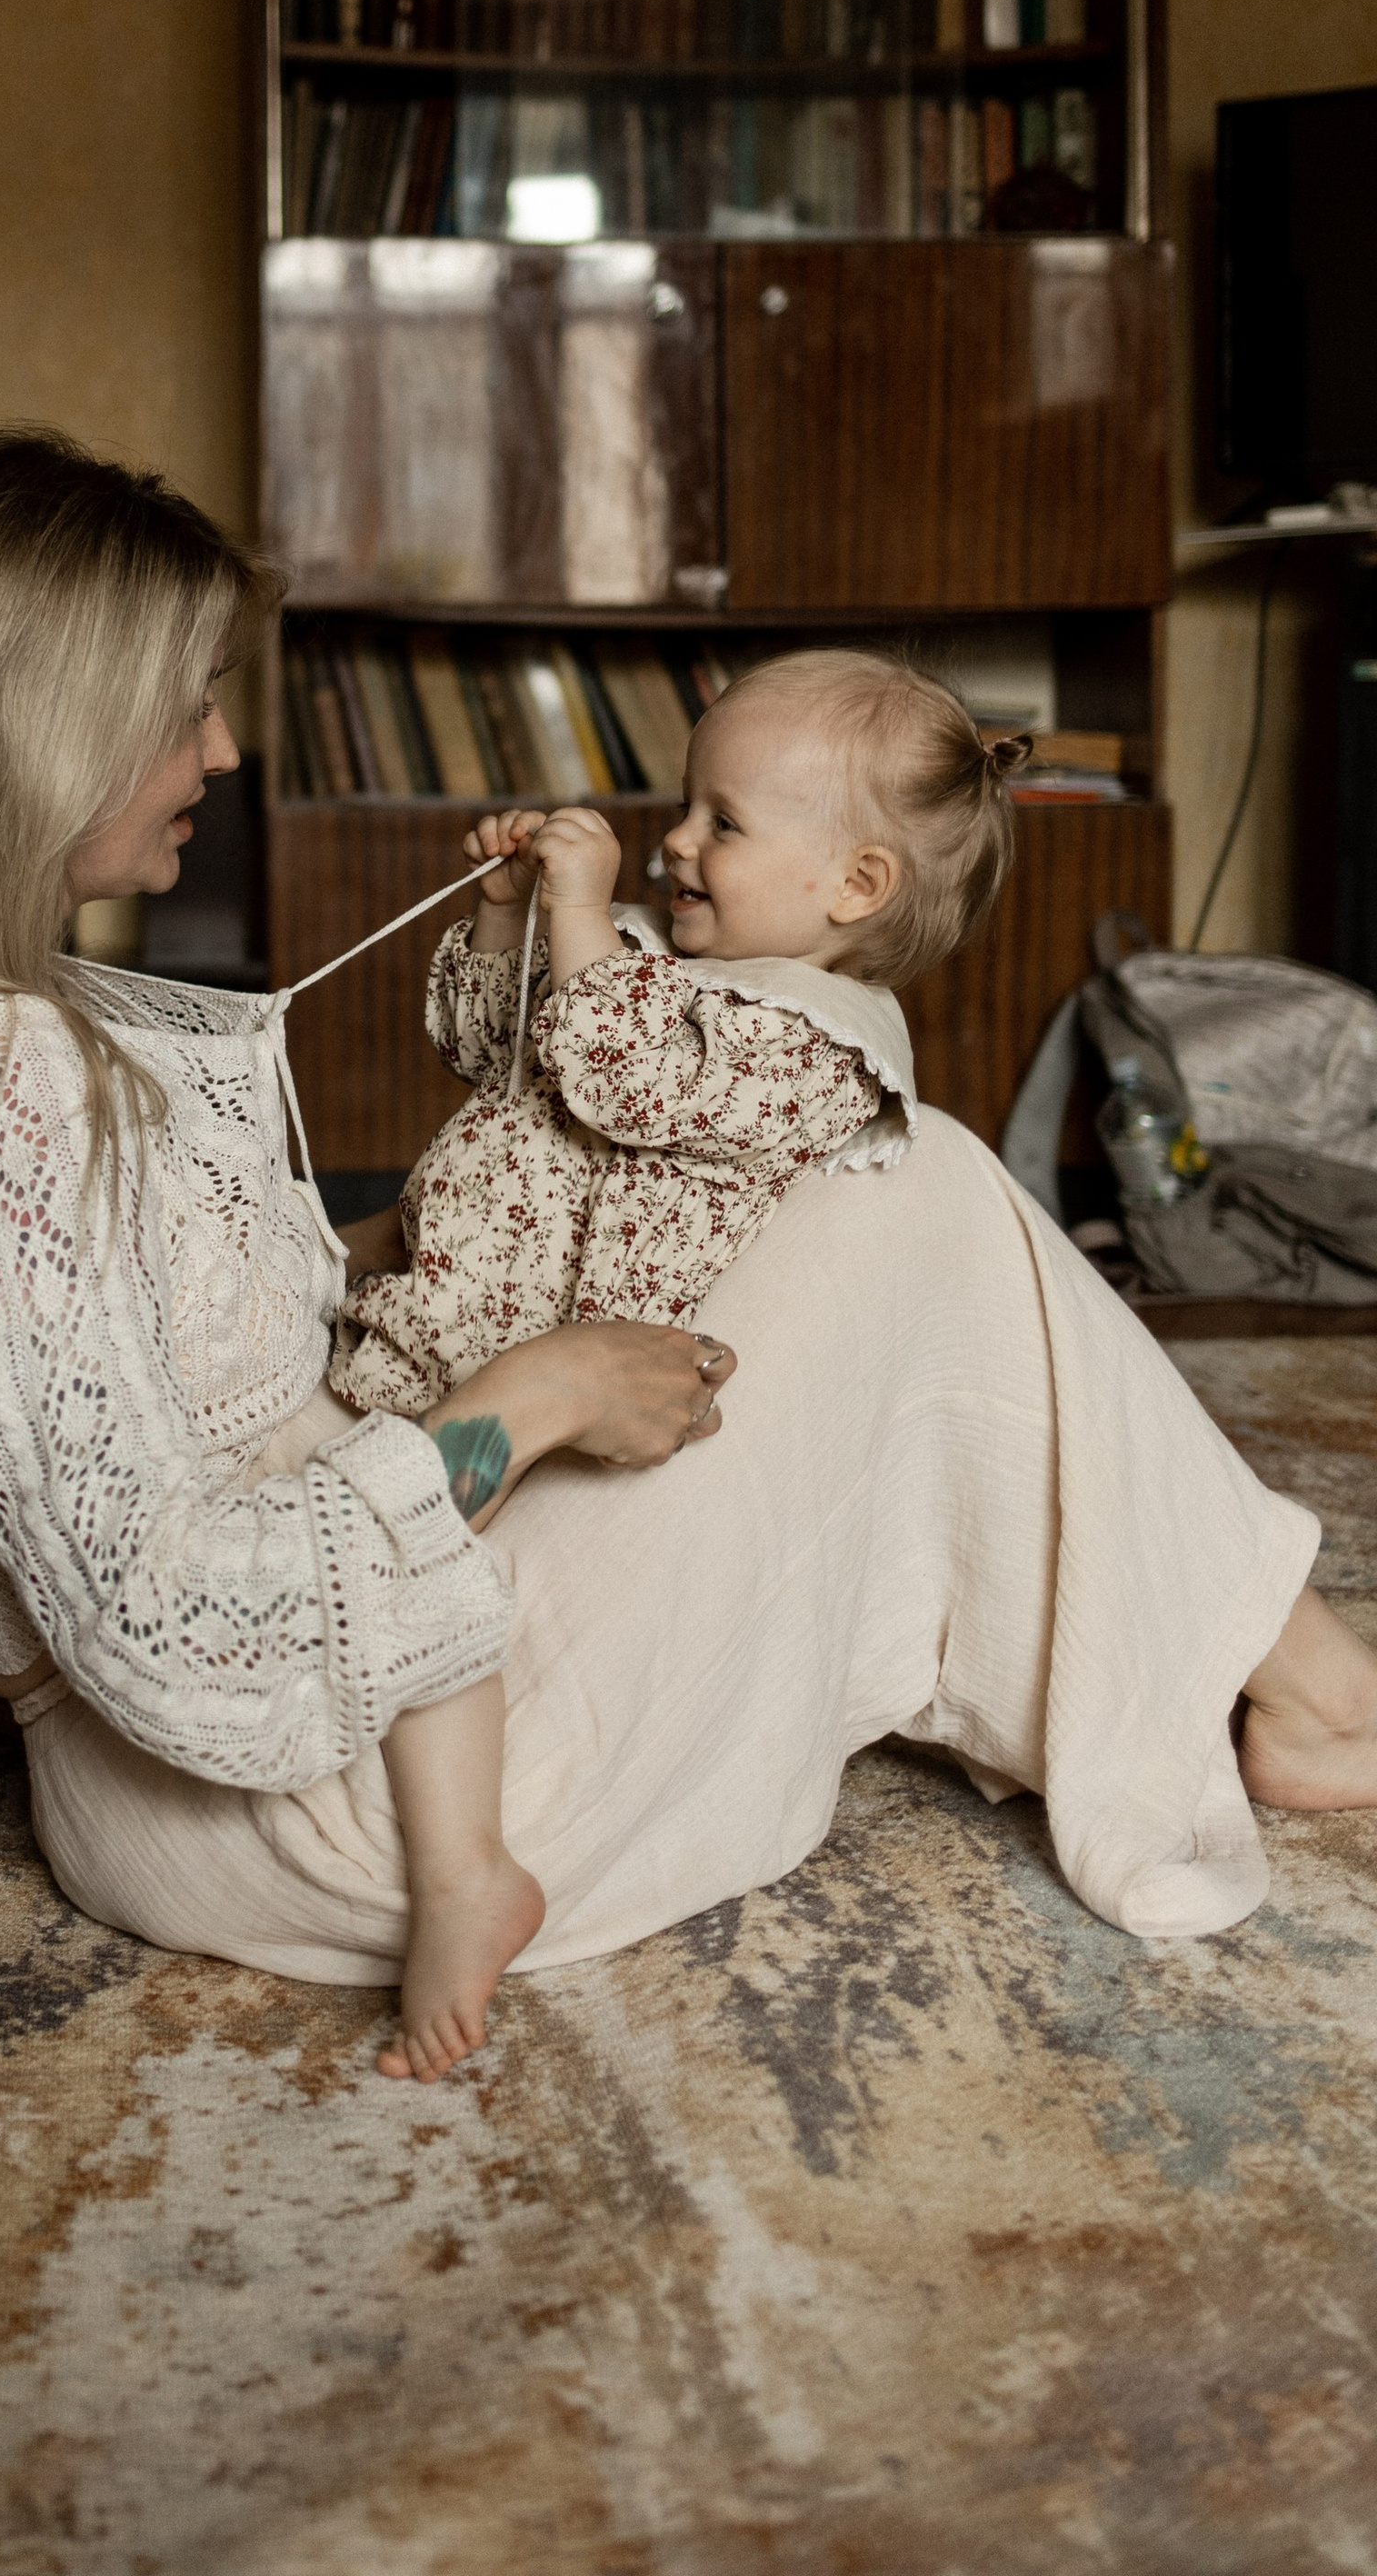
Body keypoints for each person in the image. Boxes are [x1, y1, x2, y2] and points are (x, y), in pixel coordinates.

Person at [0, 426, 1377, 2087]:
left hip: (293, 1738)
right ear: (50, 731)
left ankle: (1273, 1674)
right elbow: (173, 1627)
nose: (229, 749)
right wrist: (530, 1400)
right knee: (930, 1195)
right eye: (188, 704)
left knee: (892, 1216)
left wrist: (425, 1250)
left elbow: (161, 1340)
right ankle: (1310, 1689)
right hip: (315, 1798)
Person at [334, 653, 1030, 2078]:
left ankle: (469, 1870)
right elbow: (489, 1045)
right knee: (363, 1528)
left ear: (856, 887)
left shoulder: (820, 1041)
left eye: (725, 822)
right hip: (450, 1325)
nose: (673, 842)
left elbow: (631, 1077)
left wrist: (586, 923)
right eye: (684, 807)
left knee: (426, 1572)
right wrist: (513, 913)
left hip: (550, 1380)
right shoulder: (649, 959)